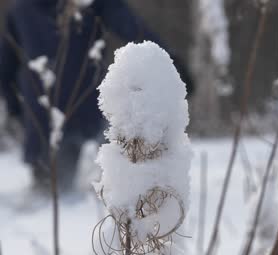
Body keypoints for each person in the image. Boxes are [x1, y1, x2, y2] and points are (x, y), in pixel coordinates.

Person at [0, 0, 193, 193]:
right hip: (86, 108)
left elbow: (6, 69)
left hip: (46, 119)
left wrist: (17, 111)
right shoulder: (89, 3)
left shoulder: (21, 8)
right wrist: (169, 60)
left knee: (52, 198)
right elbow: (132, 28)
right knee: (118, 188)